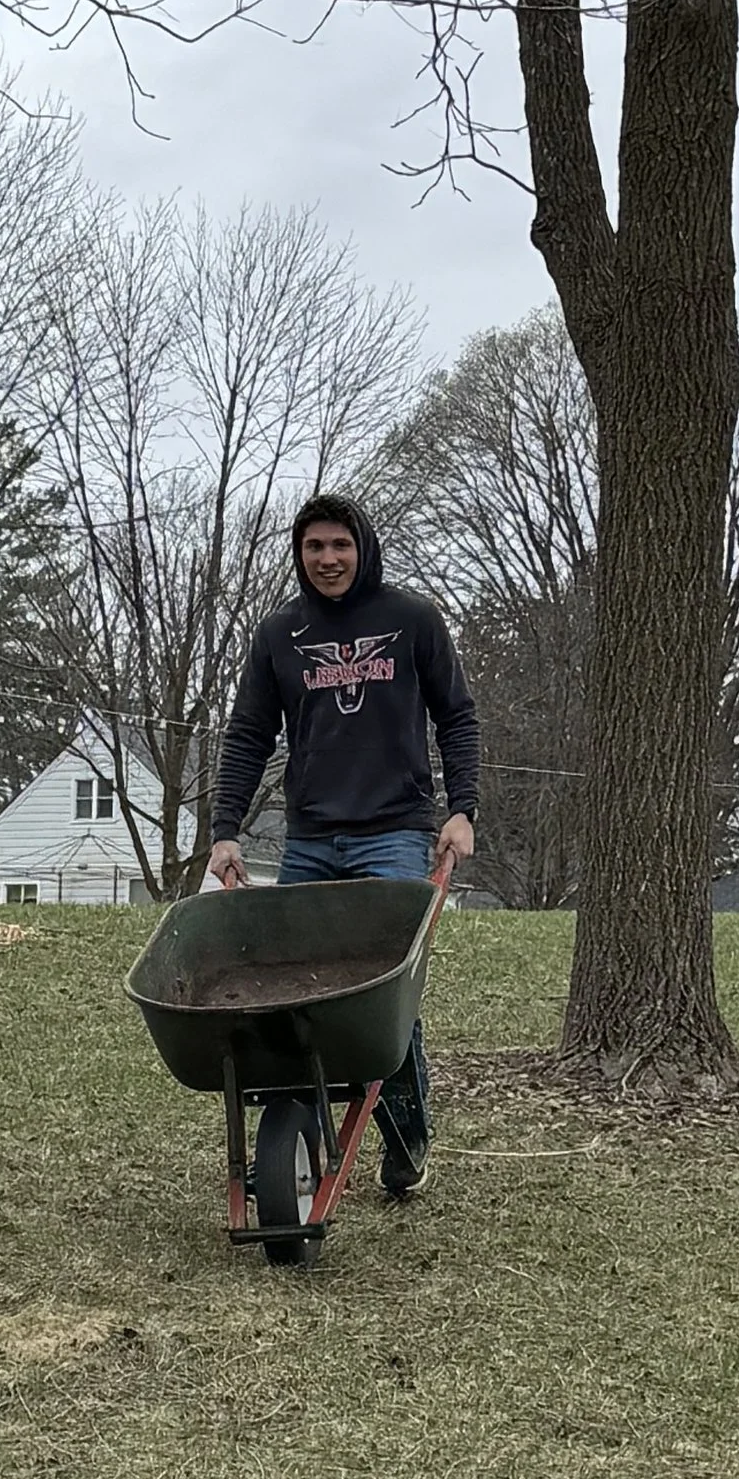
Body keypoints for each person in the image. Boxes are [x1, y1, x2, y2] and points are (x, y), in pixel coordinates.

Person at [207, 491, 478, 1198]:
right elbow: (248, 735)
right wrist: (225, 830)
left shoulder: (412, 620)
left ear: (363, 548)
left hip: (393, 835)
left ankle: (407, 1135)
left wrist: (462, 811)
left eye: (340, 545)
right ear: (299, 555)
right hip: (309, 840)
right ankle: (293, 1130)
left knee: (383, 998)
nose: (327, 559)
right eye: (314, 547)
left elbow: (456, 715)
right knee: (290, 989)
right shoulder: (280, 634)